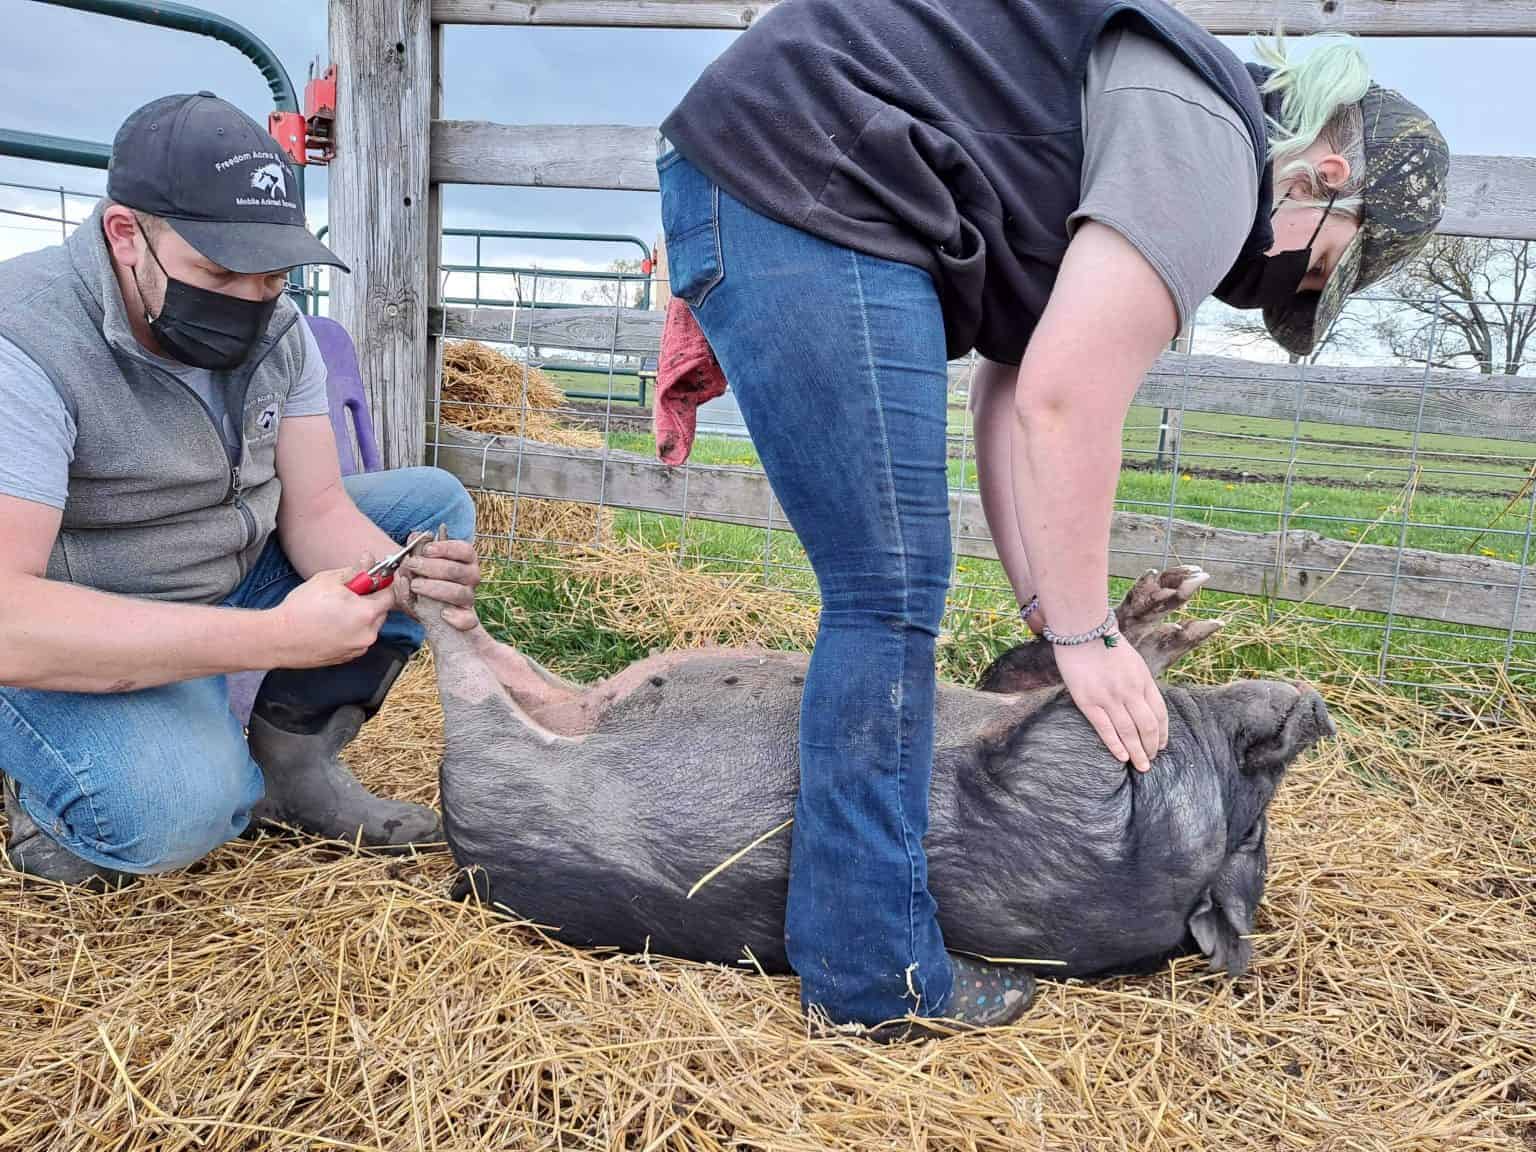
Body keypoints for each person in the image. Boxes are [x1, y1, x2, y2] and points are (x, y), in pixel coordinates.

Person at [655, 0, 1448, 1038]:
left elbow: (1010, 385)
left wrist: (1044, 602)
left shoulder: (1145, 133)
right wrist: (1086, 635)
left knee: (891, 583)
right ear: (1326, 176)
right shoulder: (1216, 148)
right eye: (1316, 265)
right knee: (887, 591)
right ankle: (871, 980)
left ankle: (865, 944)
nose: (1281, 286)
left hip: (783, 164)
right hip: (806, 174)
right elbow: (1068, 401)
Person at [0, 93, 482, 888]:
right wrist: (276, 640)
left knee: (426, 509)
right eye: (220, 270)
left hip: (219, 571)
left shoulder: (277, 323)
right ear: (127, 234)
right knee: (176, 810)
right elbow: (11, 621)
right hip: (72, 622)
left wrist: (400, 576)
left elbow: (318, 507)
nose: (254, 298)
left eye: (273, 274)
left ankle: (291, 769)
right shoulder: (27, 342)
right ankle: (51, 786)